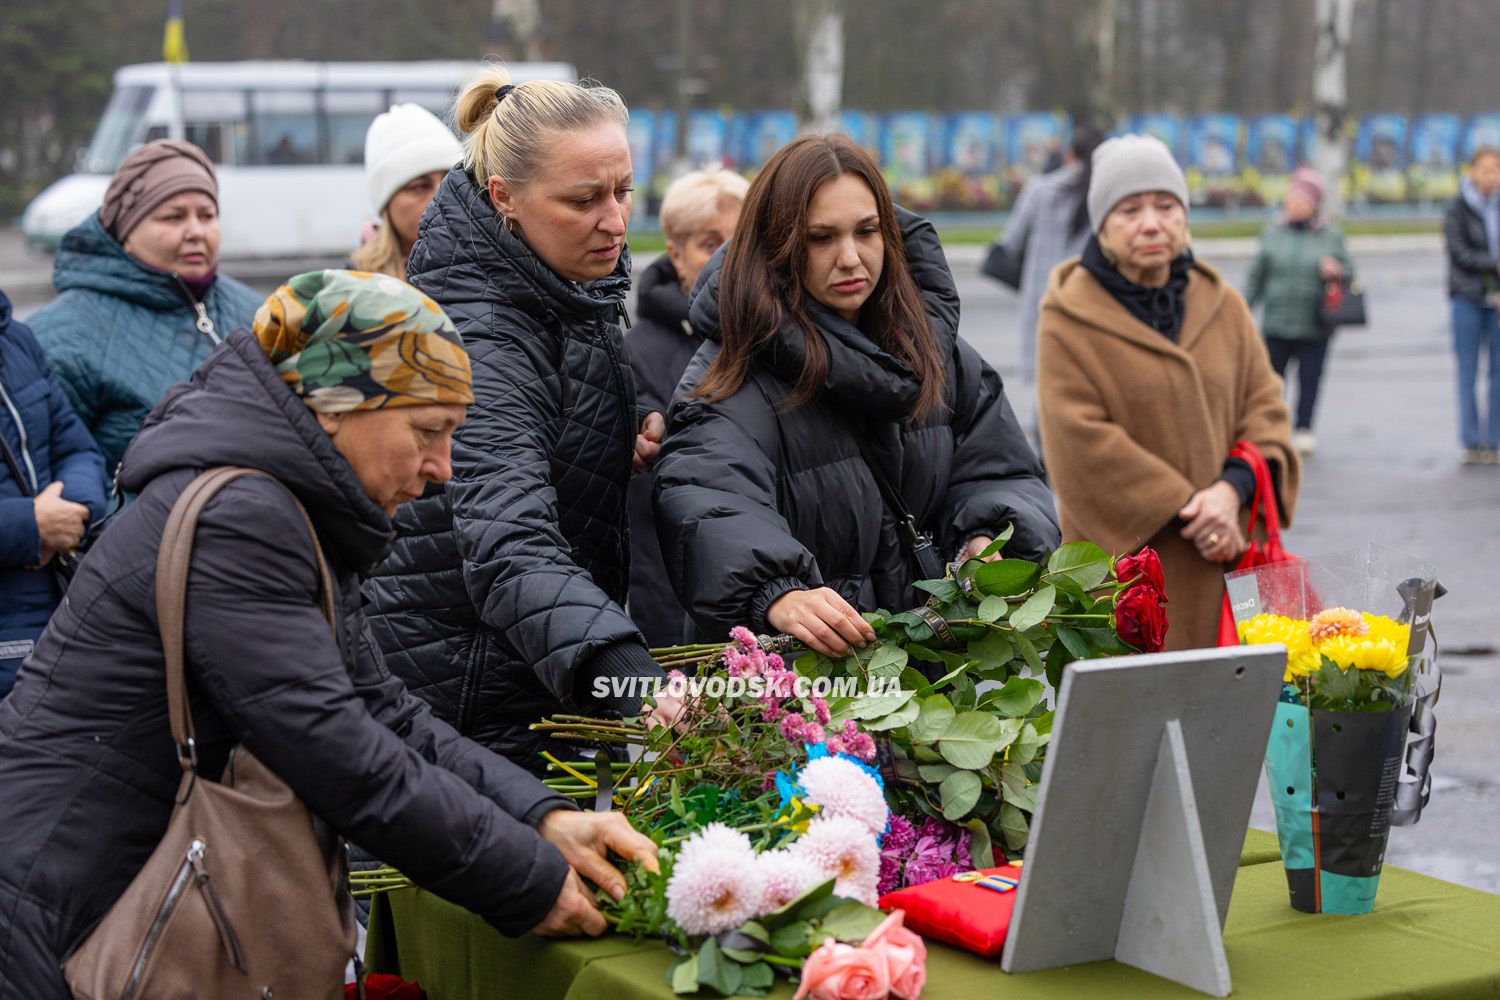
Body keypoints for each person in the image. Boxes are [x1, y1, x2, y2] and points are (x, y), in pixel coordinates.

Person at [0, 271, 657, 999]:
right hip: (61, 907)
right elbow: (335, 747)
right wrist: (524, 879)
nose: (442, 469)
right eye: (428, 431)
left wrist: (543, 816)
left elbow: (384, 711)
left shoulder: (284, 501)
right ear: (341, 405)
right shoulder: (244, 515)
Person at [364, 67, 678, 772]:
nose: (617, 220)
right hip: (470, 699)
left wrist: (606, 432)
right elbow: (508, 540)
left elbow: (534, 429)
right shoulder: (482, 335)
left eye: (624, 190)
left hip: (522, 674)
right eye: (584, 199)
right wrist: (627, 676)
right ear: (504, 196)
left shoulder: (556, 283)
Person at [653, 134, 1060, 654]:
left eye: (866, 231)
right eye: (821, 238)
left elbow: (1000, 470)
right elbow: (707, 497)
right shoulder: (734, 371)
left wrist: (987, 539)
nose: (850, 258)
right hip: (806, 686)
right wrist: (777, 591)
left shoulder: (941, 353)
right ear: (779, 246)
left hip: (939, 677)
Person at [1036, 135, 1300, 651]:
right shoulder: (1068, 318)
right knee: (1141, 722)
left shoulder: (1221, 300)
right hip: (1137, 582)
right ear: (1102, 226)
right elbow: (1079, 441)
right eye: (1130, 209)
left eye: (1166, 205)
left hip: (1231, 565)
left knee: (1236, 718)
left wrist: (1230, 493)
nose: (1152, 223)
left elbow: (1265, 406)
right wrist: (1194, 510)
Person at [27, 140, 263, 486]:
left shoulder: (258, 312)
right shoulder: (61, 336)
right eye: (174, 217)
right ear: (125, 232)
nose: (196, 231)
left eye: (207, 215)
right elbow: (48, 480)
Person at [624, 168, 749, 645]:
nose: (727, 258)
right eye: (709, 242)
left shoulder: (779, 337)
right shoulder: (637, 351)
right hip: (674, 594)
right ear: (675, 255)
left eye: (741, 241)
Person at [0, 289, 106, 698]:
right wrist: (28, 526)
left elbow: (76, 446)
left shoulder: (16, 339)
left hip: (53, 608)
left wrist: (73, 509)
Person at [1245, 168, 1353, 457]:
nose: (1295, 205)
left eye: (1303, 201)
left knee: (1309, 379)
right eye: (1291, 199)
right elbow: (1256, 276)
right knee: (1270, 382)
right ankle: (1271, 429)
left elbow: (1350, 273)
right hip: (1276, 323)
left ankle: (1304, 429)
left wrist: (1337, 272)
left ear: (1315, 204)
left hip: (1314, 324)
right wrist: (1242, 309)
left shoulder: (1330, 235)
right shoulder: (1273, 232)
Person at [990, 126, 1105, 383]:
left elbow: (1011, 241)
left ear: (1069, 154)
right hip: (1090, 298)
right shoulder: (1105, 194)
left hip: (1043, 298)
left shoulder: (1040, 189)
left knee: (1047, 384)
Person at [350, 103, 464, 279]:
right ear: (386, 204)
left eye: (451, 181)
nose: (442, 196)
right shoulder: (353, 292)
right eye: (420, 187)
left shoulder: (494, 268)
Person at [1443, 147, 1500, 465]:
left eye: (1496, 168)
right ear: (1472, 172)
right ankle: (1470, 441)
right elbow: (1457, 252)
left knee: (1498, 373)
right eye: (1484, 168)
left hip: (1498, 302)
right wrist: (1494, 265)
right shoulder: (1458, 207)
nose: (1490, 175)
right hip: (1467, 297)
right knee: (1467, 370)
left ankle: (1494, 440)